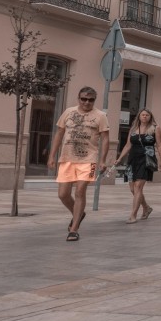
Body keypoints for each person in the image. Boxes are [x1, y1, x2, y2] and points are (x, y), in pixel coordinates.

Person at [47, 86, 110, 241]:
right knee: (63, 195)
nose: (87, 102)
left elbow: (106, 139)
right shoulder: (68, 112)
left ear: (94, 100)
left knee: (80, 192)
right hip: (67, 158)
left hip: (88, 159)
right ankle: (79, 214)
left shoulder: (101, 116)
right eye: (84, 99)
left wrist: (102, 160)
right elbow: (59, 134)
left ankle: (74, 229)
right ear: (78, 98)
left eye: (91, 100)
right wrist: (52, 156)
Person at [113, 108, 161, 223]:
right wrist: (120, 158)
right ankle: (146, 207)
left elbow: (160, 145)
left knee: (138, 187)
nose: (145, 117)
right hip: (133, 159)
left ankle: (133, 215)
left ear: (150, 117)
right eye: (143, 115)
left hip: (146, 159)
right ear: (139, 117)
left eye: (147, 115)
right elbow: (127, 145)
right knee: (132, 189)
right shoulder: (133, 129)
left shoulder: (155, 128)